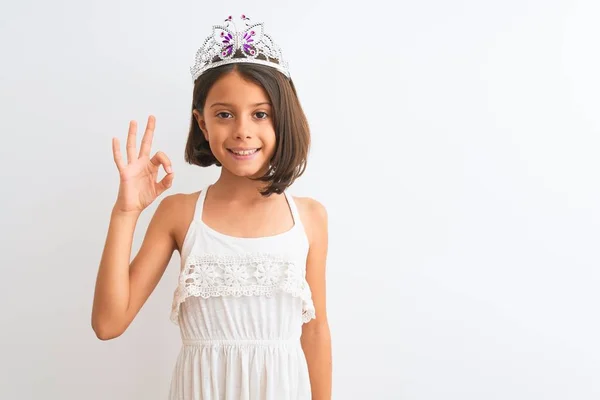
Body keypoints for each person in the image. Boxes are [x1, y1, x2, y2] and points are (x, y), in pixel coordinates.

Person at [91, 14, 332, 400]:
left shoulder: (309, 218)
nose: (242, 130)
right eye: (224, 114)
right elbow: (108, 323)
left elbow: (316, 332)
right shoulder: (179, 214)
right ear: (202, 125)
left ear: (281, 120)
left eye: (260, 113)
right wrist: (126, 213)